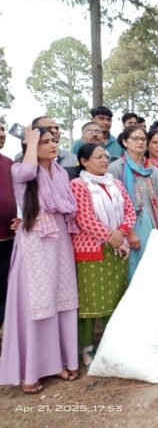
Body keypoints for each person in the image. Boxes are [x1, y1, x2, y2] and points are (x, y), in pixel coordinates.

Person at [0, 126, 79, 394]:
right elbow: (27, 172)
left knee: (61, 298)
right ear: (31, 146)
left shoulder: (60, 172)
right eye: (45, 142)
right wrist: (31, 143)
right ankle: (31, 370)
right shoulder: (20, 170)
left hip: (60, 240)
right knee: (38, 301)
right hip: (35, 242)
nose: (52, 145)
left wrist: (36, 143)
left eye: (53, 141)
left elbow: (67, 205)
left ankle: (59, 362)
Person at [70, 143, 136, 366]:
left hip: (118, 249)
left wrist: (121, 232)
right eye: (98, 157)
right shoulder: (78, 185)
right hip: (91, 250)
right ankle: (87, 348)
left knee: (115, 297)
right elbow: (84, 218)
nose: (104, 160)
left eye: (106, 156)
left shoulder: (115, 183)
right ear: (84, 161)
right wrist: (111, 237)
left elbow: (129, 211)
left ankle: (111, 344)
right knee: (89, 301)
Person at [108, 125, 158, 281]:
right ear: (125, 142)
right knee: (133, 267)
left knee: (153, 266)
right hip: (127, 225)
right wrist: (129, 231)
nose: (140, 142)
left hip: (153, 222)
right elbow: (114, 205)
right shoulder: (116, 168)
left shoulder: (152, 169)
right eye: (135, 138)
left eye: (143, 139)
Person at [0, 122, 17, 327]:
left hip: (8, 236)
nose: (2, 134)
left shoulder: (8, 163)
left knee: (5, 282)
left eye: (3, 130)